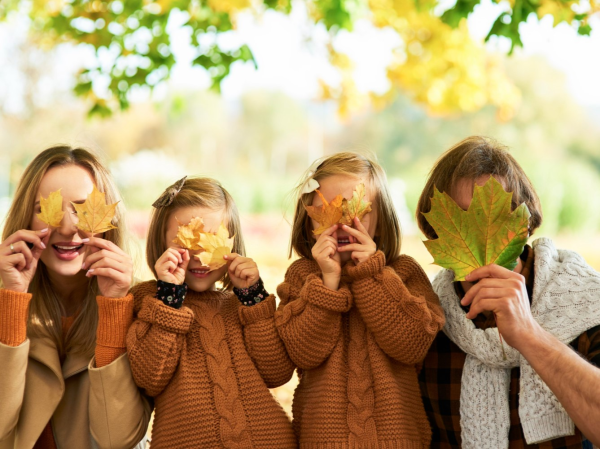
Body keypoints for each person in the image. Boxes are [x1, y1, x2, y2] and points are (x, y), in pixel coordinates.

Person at [417, 136, 600, 449]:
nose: (480, 235)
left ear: (525, 224)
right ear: (436, 232)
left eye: (496, 218)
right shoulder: (424, 320)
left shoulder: (586, 301)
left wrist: (530, 335)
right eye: (461, 220)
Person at [275, 152, 445, 448]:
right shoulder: (302, 277)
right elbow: (303, 353)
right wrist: (327, 284)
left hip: (398, 438)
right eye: (329, 211)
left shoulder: (403, 272)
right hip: (324, 439)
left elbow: (413, 344)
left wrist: (370, 274)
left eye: (357, 212)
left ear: (381, 221)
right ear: (308, 221)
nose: (342, 224)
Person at [126, 177, 297, 448]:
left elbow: (277, 372)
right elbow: (150, 379)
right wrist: (169, 299)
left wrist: (253, 299)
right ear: (161, 242)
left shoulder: (240, 304)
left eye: (212, 239)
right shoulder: (148, 301)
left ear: (232, 242)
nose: (199, 255)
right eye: (186, 240)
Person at [0, 146, 151, 449]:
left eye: (83, 209)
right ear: (25, 219)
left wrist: (114, 309)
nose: (68, 228)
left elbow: (119, 439)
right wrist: (13, 301)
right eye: (47, 209)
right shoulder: (5, 299)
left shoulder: (140, 304)